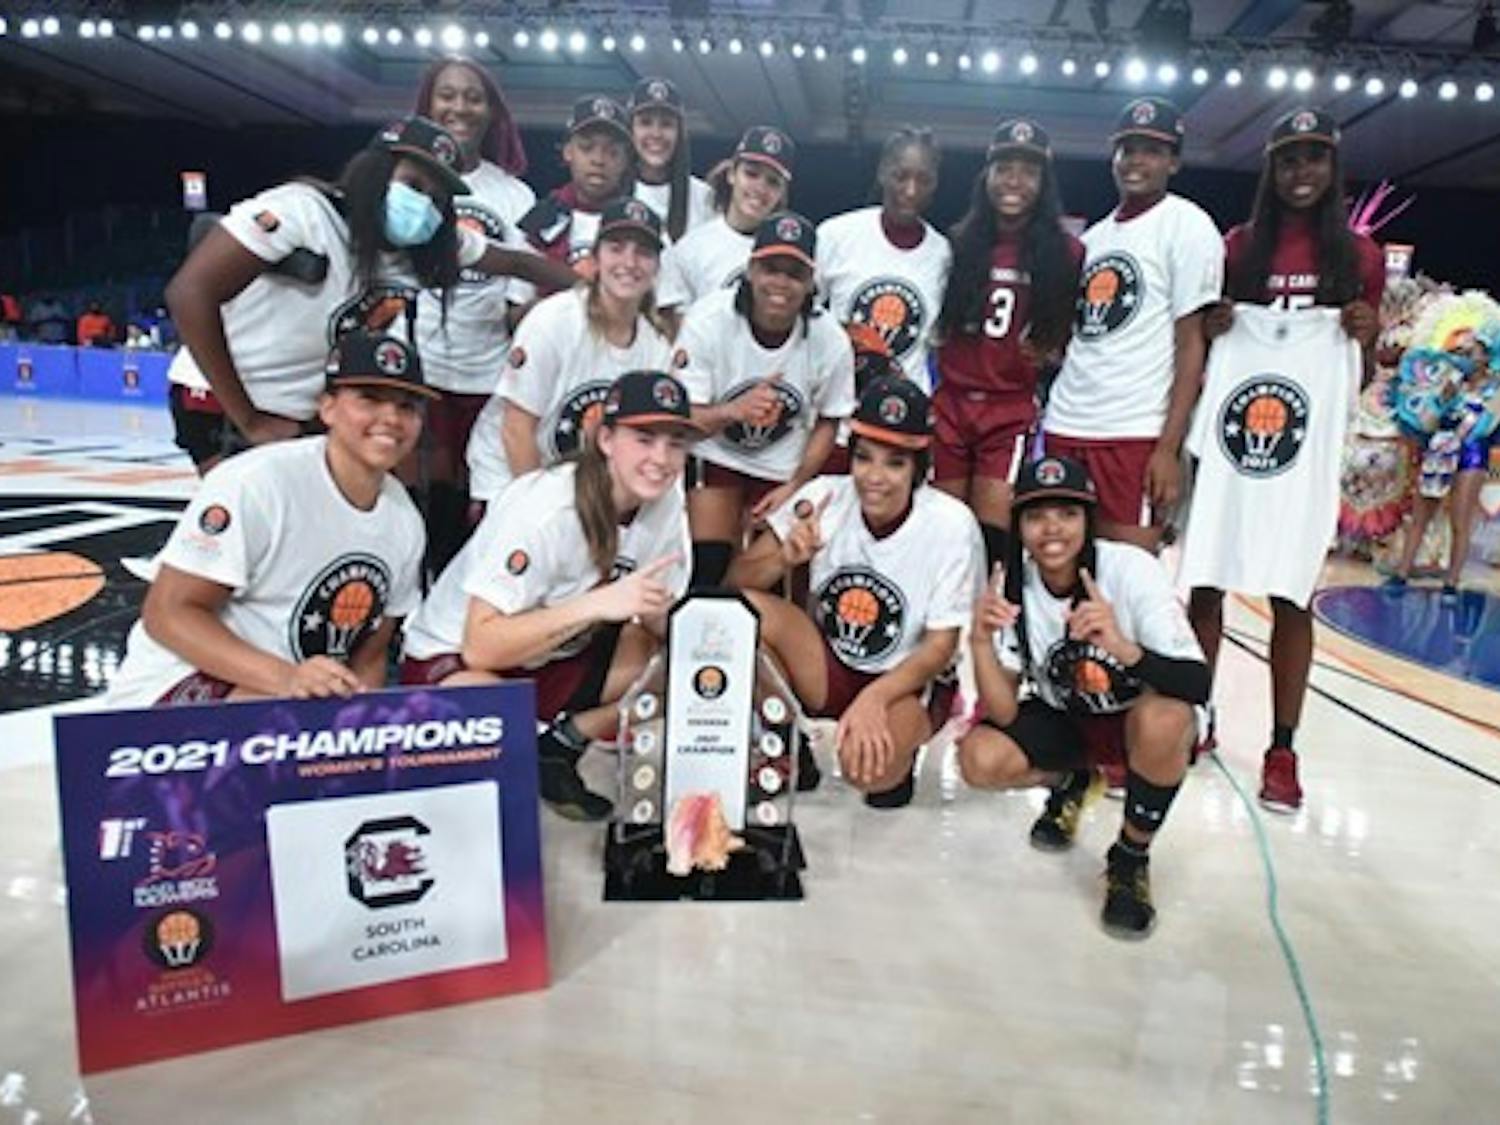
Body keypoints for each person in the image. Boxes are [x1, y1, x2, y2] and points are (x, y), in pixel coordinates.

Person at [164, 116, 569, 473]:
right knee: (251, 535)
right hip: (221, 401)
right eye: (413, 184)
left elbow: (520, 264)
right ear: (376, 174)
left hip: (304, 412)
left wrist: (598, 289)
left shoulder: (422, 249)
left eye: (436, 198)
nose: (423, 204)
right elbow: (189, 292)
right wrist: (250, 420)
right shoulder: (304, 212)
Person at [1185, 108, 1384, 812]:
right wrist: (1217, 331)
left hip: (1298, 460)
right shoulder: (1239, 247)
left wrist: (1365, 334)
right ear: (1271, 169)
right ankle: (1197, 718)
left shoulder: (1358, 256)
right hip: (1237, 449)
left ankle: (1282, 745)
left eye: (1315, 158)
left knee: (1289, 595)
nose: (1302, 172)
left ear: (1333, 168)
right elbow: (1207, 348)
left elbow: (1349, 382)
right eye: (1290, 159)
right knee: (1205, 584)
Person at [402, 369, 699, 821]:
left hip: (557, 651)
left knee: (678, 676)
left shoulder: (666, 497)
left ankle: (559, 744)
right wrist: (600, 602)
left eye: (675, 442)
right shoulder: (546, 509)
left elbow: (663, 614)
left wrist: (700, 664)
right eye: (644, 438)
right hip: (454, 658)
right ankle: (524, 744)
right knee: (497, 741)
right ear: (605, 439)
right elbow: (482, 646)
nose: (661, 458)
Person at [106, 330, 433, 707]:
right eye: (370, 399)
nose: (391, 418)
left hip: (296, 694)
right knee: (283, 726)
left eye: (407, 406)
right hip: (182, 678)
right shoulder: (256, 484)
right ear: (327, 408)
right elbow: (168, 614)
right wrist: (287, 678)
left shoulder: (404, 521)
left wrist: (354, 722)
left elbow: (371, 653)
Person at [956, 456, 1208, 938]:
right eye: (1035, 516)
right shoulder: (1014, 584)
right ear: (1019, 527)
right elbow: (1005, 711)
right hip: (1070, 713)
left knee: (1165, 720)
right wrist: (979, 642)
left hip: (1137, 713)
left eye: (1067, 514)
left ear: (1088, 520)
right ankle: (1075, 780)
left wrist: (1123, 649)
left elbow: (1197, 684)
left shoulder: (1132, 570)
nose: (1052, 529)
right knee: (978, 759)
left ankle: (1130, 857)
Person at [726, 378, 982, 808]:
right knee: (737, 615)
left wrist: (874, 699)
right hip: (829, 663)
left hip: (904, 676)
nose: (874, 478)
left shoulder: (952, 526)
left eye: (894, 463)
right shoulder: (825, 497)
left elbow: (940, 647)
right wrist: (783, 559)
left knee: (870, 774)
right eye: (864, 458)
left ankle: (905, 745)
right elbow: (734, 585)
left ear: (919, 468)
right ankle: (785, 741)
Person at [1042, 97, 1223, 551]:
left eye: (1152, 150)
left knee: (1132, 571)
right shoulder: (1094, 238)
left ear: (1174, 161)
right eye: (1128, 149)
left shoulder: (1188, 226)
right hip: (1068, 422)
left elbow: (1190, 346)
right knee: (1064, 571)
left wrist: (1168, 447)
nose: (1136, 161)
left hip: (1135, 431)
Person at [931, 119, 1084, 571]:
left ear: (1043, 183)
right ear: (987, 177)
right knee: (944, 530)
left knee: (990, 537)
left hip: (1009, 408)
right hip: (953, 403)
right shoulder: (958, 243)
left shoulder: (1067, 253)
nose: (1014, 181)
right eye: (1004, 169)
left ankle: (985, 629)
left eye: (1028, 171)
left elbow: (1073, 327)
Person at [674, 211, 856, 586]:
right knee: (706, 571)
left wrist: (795, 484)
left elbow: (830, 419)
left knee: (767, 582)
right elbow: (679, 418)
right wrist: (733, 411)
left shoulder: (830, 339)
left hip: (783, 468)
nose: (781, 283)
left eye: (794, 274)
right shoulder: (708, 319)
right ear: (751, 269)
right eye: (771, 269)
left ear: (810, 282)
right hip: (715, 452)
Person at [410, 57, 538, 572]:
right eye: (448, 94)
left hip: (486, 372)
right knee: (417, 501)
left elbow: (519, 296)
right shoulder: (404, 179)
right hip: (418, 368)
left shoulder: (514, 195)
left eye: (473, 97)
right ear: (428, 102)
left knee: (475, 502)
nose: (459, 106)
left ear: (492, 112)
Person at [466, 199, 673, 511]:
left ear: (657, 267)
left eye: (643, 252)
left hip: (580, 484)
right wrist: (540, 512)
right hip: (510, 472)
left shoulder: (656, 347)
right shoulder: (554, 320)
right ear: (594, 259)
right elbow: (516, 429)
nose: (629, 262)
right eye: (616, 248)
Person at [816, 126, 951, 391]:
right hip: (837, 407)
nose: (911, 190)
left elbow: (938, 342)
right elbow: (802, 320)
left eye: (923, 180)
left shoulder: (944, 254)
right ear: (882, 174)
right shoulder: (836, 234)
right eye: (901, 176)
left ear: (935, 184)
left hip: (906, 418)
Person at [508, 95, 633, 307]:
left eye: (612, 151)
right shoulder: (541, 219)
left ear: (625, 161)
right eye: (587, 147)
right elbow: (513, 309)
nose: (598, 159)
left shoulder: (641, 222)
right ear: (568, 152)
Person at [656, 126, 794, 311]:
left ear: (781, 193)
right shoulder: (692, 249)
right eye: (751, 174)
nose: (760, 188)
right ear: (732, 174)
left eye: (773, 181)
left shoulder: (791, 255)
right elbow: (672, 324)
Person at [628, 77, 714, 244]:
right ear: (630, 129)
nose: (656, 134)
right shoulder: (613, 192)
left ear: (679, 133)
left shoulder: (704, 197)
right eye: (645, 123)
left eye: (666, 124)